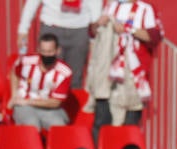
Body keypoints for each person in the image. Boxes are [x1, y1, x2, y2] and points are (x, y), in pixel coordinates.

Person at [88, 0, 161, 136]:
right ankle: (102, 146)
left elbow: (154, 37)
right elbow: (93, 33)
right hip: (108, 70)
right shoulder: (111, 6)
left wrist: (129, 29)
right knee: (103, 118)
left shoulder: (145, 9)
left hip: (133, 70)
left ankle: (126, 145)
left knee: (130, 121)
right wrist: (98, 24)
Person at [17, 0, 99, 89]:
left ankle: (72, 97)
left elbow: (95, 3)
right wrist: (23, 29)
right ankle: (44, 97)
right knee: (48, 74)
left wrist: (95, 35)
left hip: (79, 28)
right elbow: (32, 2)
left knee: (75, 78)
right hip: (52, 25)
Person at [9, 32, 74, 130]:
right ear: (38, 50)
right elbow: (14, 72)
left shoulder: (64, 72)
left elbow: (55, 102)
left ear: (58, 51)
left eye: (50, 51)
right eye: (43, 51)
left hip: (49, 108)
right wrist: (14, 95)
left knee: (59, 127)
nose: (46, 55)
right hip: (24, 106)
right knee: (32, 125)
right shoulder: (26, 61)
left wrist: (29, 101)